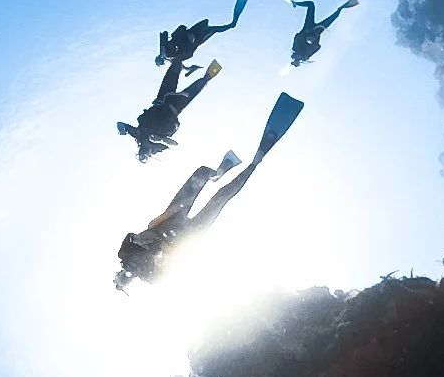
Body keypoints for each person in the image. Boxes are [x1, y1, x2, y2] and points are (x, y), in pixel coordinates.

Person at [115, 91, 305, 288]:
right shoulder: (151, 277)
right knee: (221, 198)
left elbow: (134, 234)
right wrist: (161, 251)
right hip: (189, 235)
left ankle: (218, 173)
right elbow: (170, 267)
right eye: (126, 279)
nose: (129, 273)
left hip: (172, 217)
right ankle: (255, 162)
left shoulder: (124, 254)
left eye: (123, 275)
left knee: (202, 173)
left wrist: (142, 241)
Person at [118, 60, 222, 161]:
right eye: (145, 155)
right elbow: (175, 145)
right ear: (150, 154)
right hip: (175, 106)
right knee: (197, 87)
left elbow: (123, 125)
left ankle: (180, 64)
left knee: (174, 68)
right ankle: (210, 73)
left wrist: (121, 127)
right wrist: (161, 140)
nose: (144, 150)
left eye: (141, 153)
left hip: (162, 99)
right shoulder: (158, 147)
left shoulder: (138, 135)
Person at [157, 0, 248, 67]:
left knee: (223, 27)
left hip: (196, 36)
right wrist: (189, 70)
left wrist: (163, 52)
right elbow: (185, 57)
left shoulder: (167, 52)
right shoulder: (171, 55)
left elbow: (166, 35)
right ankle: (238, 10)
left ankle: (236, 13)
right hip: (195, 36)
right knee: (222, 27)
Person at [285, 0, 359, 66]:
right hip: (317, 31)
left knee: (311, 4)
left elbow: (297, 37)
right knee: (335, 16)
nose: (296, 60)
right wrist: (313, 41)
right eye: (297, 61)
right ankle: (342, 8)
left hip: (308, 27)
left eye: (295, 60)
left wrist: (306, 36)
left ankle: (295, 3)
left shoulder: (295, 49)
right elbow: (317, 47)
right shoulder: (306, 55)